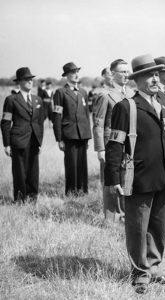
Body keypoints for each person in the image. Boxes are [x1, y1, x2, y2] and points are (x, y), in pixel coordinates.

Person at [105, 54, 165, 294]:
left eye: (157, 74)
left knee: (158, 226)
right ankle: (140, 273)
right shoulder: (126, 107)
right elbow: (115, 145)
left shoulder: (164, 103)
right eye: (150, 75)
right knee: (137, 227)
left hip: (164, 175)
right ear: (137, 80)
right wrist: (113, 179)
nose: (156, 79)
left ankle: (154, 267)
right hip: (138, 177)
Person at [92, 59, 134, 222]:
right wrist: (100, 149)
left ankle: (125, 214)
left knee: (127, 178)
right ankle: (111, 217)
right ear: (113, 74)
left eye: (127, 71)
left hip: (129, 144)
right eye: (122, 72)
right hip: (111, 144)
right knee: (111, 180)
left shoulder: (131, 93)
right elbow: (98, 123)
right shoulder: (105, 95)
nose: (126, 74)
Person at [1, 67, 44, 201]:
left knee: (33, 171)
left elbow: (40, 122)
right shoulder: (11, 100)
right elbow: (5, 122)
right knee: (19, 172)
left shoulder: (38, 100)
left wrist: (40, 142)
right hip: (18, 141)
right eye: (26, 79)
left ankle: (33, 197)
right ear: (19, 82)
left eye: (31, 79)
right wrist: (6, 144)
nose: (30, 82)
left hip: (34, 141)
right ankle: (20, 199)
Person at [52, 62, 92, 196]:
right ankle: (71, 192)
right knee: (71, 165)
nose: (75, 75)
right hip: (69, 134)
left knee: (82, 164)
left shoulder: (83, 92)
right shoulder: (60, 92)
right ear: (66, 76)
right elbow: (57, 116)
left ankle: (83, 190)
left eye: (77, 72)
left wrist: (88, 136)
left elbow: (86, 115)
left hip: (82, 134)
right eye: (72, 73)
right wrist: (59, 139)